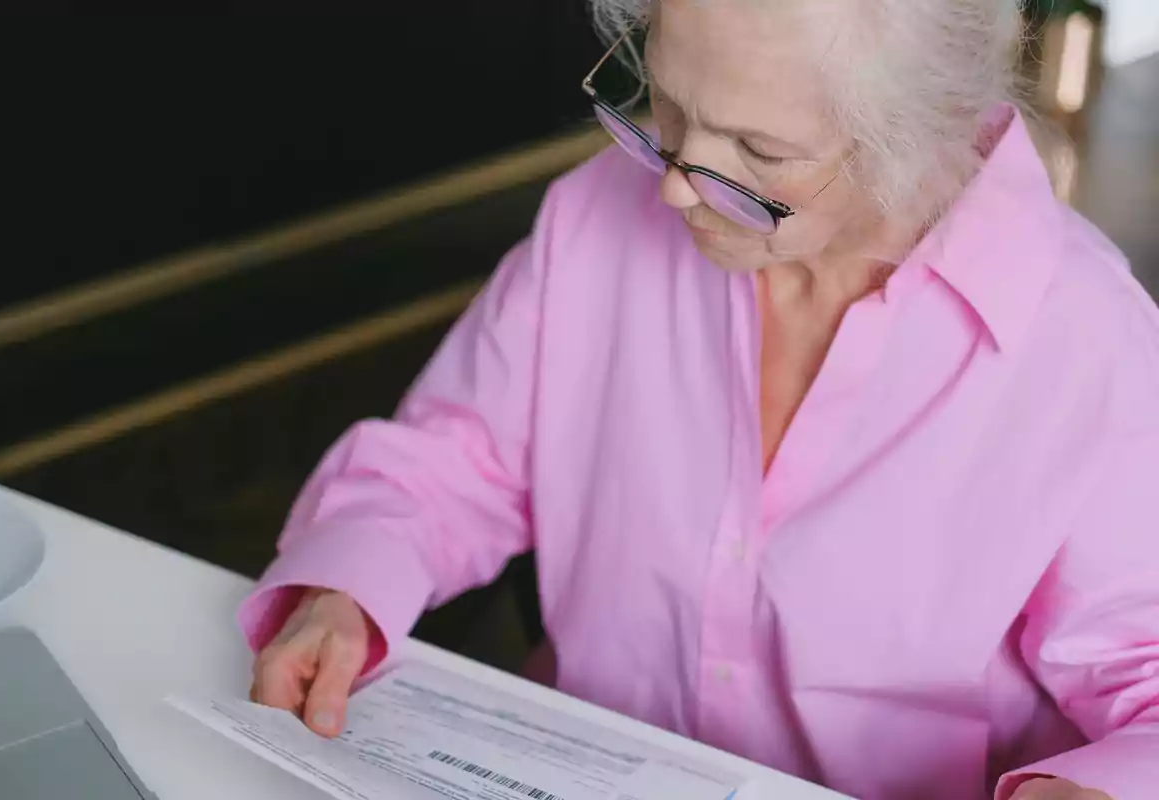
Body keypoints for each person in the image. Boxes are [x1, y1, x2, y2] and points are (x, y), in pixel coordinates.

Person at [242, 1, 1159, 798]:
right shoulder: (595, 215)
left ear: (921, 131)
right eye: (669, 108)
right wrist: (344, 591)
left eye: (759, 150)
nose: (677, 187)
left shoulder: (1087, 344)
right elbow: (453, 462)